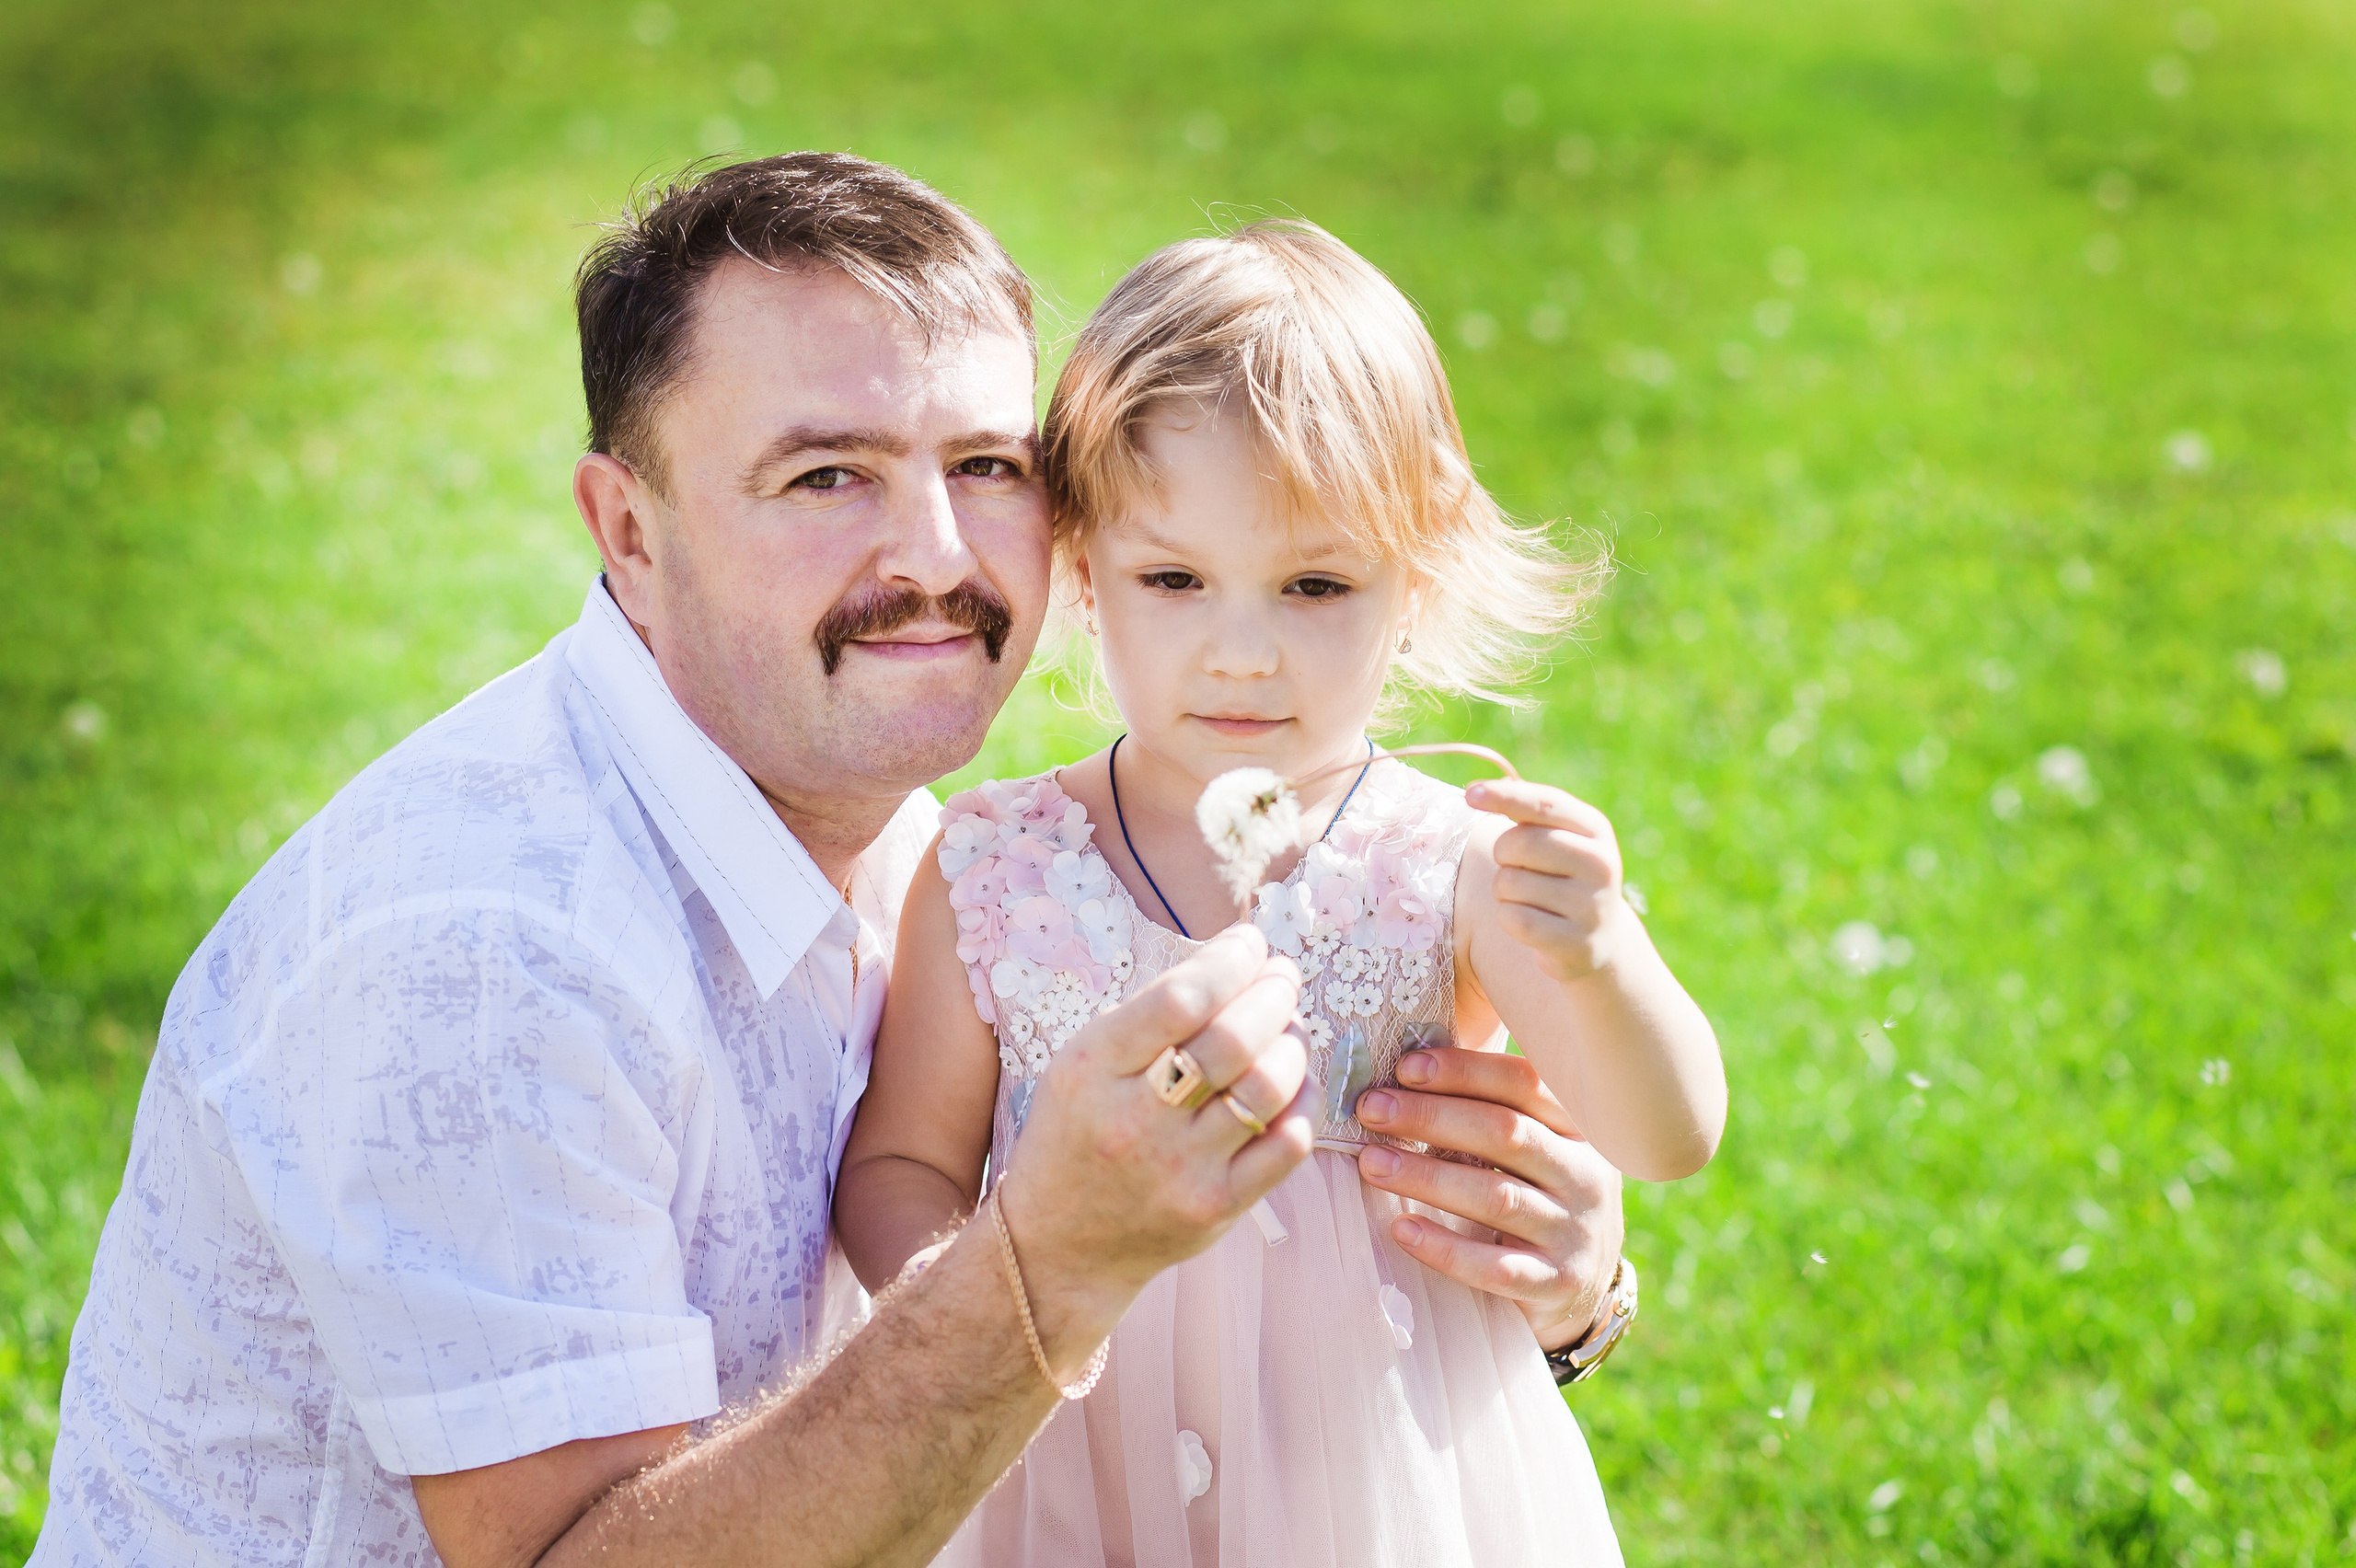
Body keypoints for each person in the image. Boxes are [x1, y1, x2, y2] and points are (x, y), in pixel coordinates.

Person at [30, 156, 1631, 1568]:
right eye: (825, 476)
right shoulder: (483, 949)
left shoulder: (933, 844)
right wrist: (1044, 1263)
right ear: (630, 535)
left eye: (985, 466)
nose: (935, 556)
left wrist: (1532, 1295)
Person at [837, 219, 1726, 1566]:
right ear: (1082, 571)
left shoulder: (1451, 867)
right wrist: (982, 1312)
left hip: (1378, 1488)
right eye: (1175, 580)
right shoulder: (994, 867)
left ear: (1412, 579)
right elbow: (903, 1162)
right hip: (1068, 1475)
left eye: (1315, 585)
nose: (1241, 652)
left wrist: (1602, 956)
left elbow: (1665, 1136)